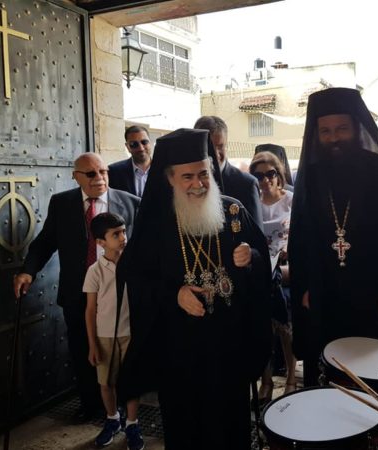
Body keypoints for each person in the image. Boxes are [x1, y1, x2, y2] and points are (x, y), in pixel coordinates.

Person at [117, 128, 272, 450]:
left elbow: (261, 261)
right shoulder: (156, 223)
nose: (198, 183)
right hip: (179, 352)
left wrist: (251, 258)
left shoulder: (232, 212)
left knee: (232, 428)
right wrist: (174, 295)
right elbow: (135, 276)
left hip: (229, 348)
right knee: (188, 430)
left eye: (203, 174)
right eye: (187, 177)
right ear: (170, 178)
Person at [288, 87, 378, 386]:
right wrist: (304, 285)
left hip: (373, 292)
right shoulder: (311, 176)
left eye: (341, 129)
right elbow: (301, 235)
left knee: (373, 370)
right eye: (326, 131)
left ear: (356, 128)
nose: (334, 138)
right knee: (328, 370)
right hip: (325, 291)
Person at [13, 153, 140, 421]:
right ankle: (91, 405)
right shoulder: (62, 204)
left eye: (103, 172)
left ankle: (120, 408)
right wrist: (27, 271)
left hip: (120, 295)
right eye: (91, 174)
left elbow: (144, 246)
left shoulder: (130, 202)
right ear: (76, 177)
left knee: (122, 352)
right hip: (77, 293)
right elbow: (45, 242)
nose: (99, 178)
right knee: (83, 351)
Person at [83, 213, 143, 450]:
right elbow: (90, 310)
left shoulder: (134, 265)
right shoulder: (95, 271)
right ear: (100, 242)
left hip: (130, 333)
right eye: (115, 234)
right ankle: (112, 419)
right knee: (106, 382)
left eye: (124, 231)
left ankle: (132, 424)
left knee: (132, 381)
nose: (123, 237)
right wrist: (92, 344)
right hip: (105, 335)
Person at [249, 151, 296, 402]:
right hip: (260, 272)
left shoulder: (290, 200)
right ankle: (266, 381)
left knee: (285, 329)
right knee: (263, 328)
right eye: (259, 176)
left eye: (270, 173)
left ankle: (291, 378)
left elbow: (301, 235)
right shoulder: (252, 201)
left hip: (286, 271)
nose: (266, 180)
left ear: (279, 174)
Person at [194, 115, 262, 226]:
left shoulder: (246, 185)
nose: (216, 153)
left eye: (220, 146)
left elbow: (256, 234)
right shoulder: (186, 184)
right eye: (209, 147)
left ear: (226, 145)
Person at [109, 126, 153, 197]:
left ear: (150, 143)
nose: (141, 148)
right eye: (134, 144)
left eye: (144, 142)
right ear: (127, 147)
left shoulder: (164, 169)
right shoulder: (114, 172)